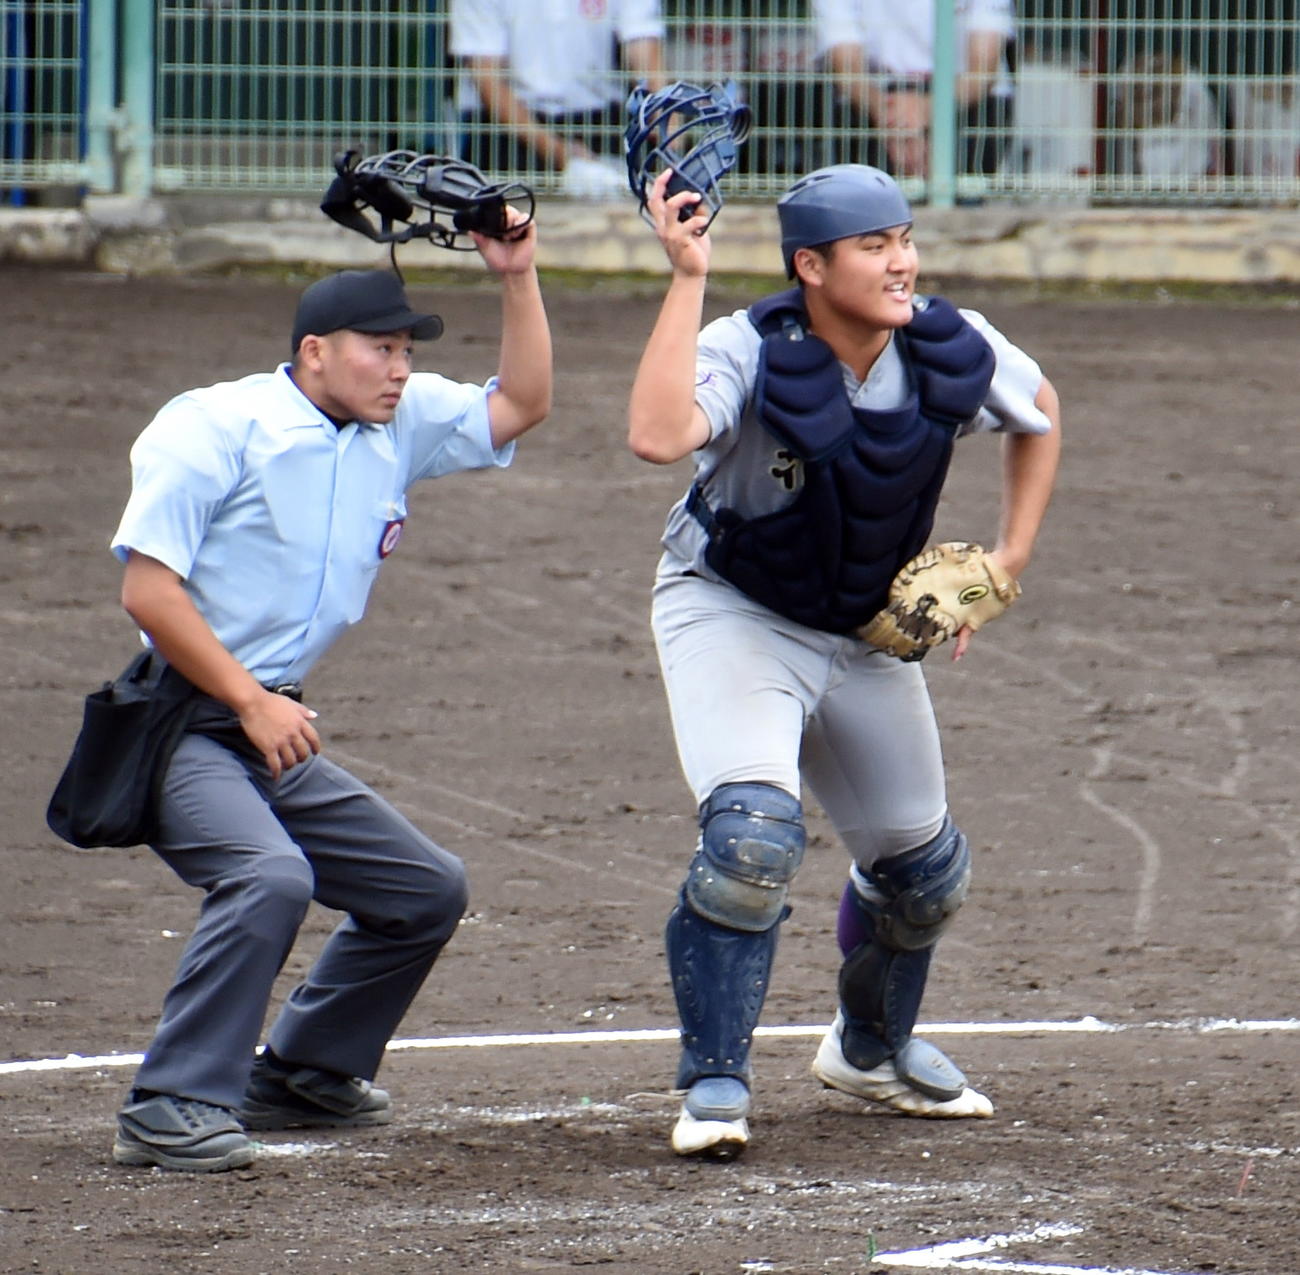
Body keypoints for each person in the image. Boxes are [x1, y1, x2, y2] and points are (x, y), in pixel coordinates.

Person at [626, 163, 1061, 1158]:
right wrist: (687, 275)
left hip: (863, 632)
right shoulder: (747, 347)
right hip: (735, 612)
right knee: (751, 840)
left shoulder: (947, 344)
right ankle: (714, 1082)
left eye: (904, 238)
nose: (901, 261)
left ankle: (869, 1049)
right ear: (811, 267)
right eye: (873, 246)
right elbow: (655, 434)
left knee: (924, 875)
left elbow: (1040, 408)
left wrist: (1009, 558)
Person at [107, 212, 552, 1173]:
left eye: (407, 351)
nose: (400, 368)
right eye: (380, 349)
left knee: (423, 889)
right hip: (181, 723)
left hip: (266, 724)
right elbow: (149, 590)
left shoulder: (397, 425)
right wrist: (251, 701)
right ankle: (170, 1100)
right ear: (315, 351)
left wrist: (516, 275)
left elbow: (520, 403)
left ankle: (304, 1069)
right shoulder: (215, 425)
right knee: (269, 875)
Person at [448, 0, 664, 199]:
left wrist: (665, 123)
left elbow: (642, 42)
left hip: (599, 119)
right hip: (512, 127)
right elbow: (487, 80)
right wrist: (563, 155)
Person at [814, 0, 1016, 180]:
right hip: (879, 100)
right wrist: (893, 117)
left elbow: (982, 71)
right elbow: (846, 68)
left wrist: (923, 110)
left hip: (966, 98)